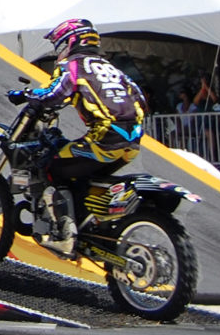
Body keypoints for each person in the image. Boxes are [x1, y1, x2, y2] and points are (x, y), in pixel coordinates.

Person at [9, 18, 146, 248]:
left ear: (70, 42)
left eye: (59, 46)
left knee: (48, 164)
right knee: (80, 171)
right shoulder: (112, 69)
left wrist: (23, 95)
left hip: (104, 141)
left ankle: (66, 234)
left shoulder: (72, 66)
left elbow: (52, 94)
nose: (58, 51)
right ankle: (86, 225)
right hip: (132, 141)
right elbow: (140, 97)